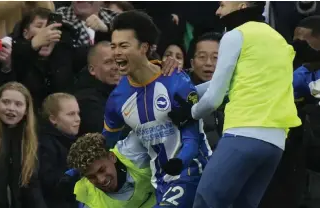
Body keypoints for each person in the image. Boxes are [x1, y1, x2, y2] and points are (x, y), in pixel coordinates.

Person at [168, 2, 301, 208]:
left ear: (241, 4)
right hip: (275, 144)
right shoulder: (278, 39)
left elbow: (214, 98)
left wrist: (189, 112)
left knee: (206, 201)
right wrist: (188, 93)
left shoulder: (236, 34)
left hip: (243, 135)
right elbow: (231, 82)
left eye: (222, 4)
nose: (217, 11)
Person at [104, 11, 212, 207]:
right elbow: (105, 143)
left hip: (193, 172)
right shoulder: (117, 98)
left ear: (144, 47)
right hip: (160, 183)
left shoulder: (176, 80)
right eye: (113, 46)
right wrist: (74, 171)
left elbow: (192, 136)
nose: (116, 52)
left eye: (124, 45)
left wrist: (180, 162)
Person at [0, 82, 46, 208]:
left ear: (26, 110)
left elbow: (31, 185)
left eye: (18, 104)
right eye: (6, 102)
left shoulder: (29, 140)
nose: (11, 108)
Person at [11, 7, 88, 111]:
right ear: (25, 33)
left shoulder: (66, 52)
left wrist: (104, 32)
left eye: (50, 27)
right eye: (39, 26)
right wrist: (32, 46)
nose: (46, 32)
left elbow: (96, 57)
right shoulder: (13, 53)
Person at [67, 133, 156, 208]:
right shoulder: (89, 201)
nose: (101, 180)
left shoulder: (134, 151)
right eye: (91, 177)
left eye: (102, 170)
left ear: (112, 157)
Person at [38, 93, 81, 208]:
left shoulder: (73, 142)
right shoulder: (45, 145)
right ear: (53, 119)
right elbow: (51, 184)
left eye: (78, 113)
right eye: (71, 114)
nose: (77, 119)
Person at [73, 41, 120, 136]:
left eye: (118, 61)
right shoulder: (86, 100)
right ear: (92, 70)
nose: (116, 67)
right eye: (108, 62)